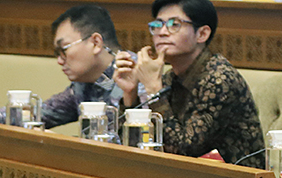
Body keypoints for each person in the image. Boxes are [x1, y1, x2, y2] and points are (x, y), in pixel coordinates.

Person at [113, 0, 264, 167]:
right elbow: (135, 146)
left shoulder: (220, 79)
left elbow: (185, 152)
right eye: (157, 24)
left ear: (202, 34)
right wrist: (130, 93)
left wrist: (154, 90)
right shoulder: (171, 78)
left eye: (174, 24)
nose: (162, 32)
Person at [0, 5, 125, 129]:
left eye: (63, 50)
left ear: (95, 43)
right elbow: (39, 114)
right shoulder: (84, 84)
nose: (59, 61)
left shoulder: (137, 75)